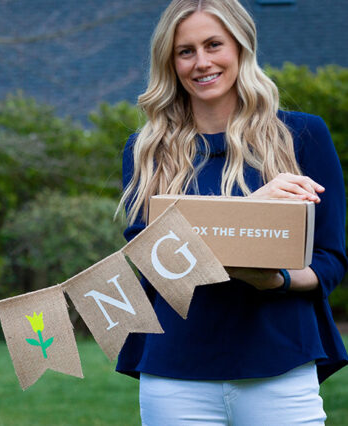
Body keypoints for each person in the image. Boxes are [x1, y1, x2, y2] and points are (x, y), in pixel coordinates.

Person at [116, 0, 347, 423]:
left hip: (280, 366)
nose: (201, 62)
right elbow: (150, 263)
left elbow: (330, 261)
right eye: (186, 51)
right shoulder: (147, 149)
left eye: (213, 45)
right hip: (175, 373)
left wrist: (274, 280)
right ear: (171, 61)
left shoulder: (302, 136)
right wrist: (252, 210)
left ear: (241, 47)